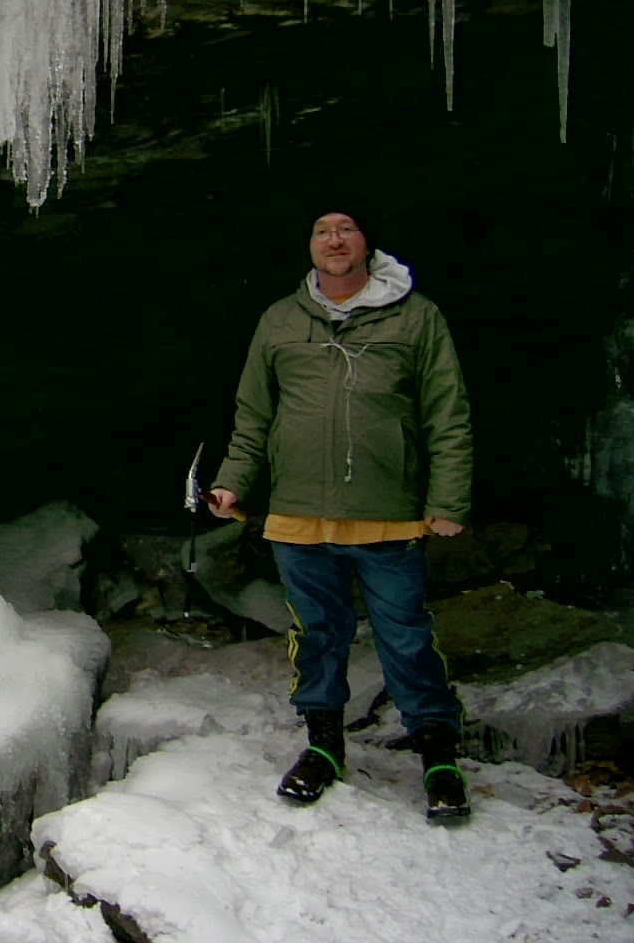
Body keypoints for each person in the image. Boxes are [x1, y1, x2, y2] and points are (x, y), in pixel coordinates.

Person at [207, 206, 473, 821]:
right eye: (322, 231)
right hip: (300, 516)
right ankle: (323, 747)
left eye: (346, 229)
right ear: (309, 247)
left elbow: (446, 414)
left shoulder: (416, 316)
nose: (334, 239)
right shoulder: (280, 320)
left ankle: (437, 752)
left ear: (367, 245)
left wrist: (448, 502)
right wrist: (231, 483)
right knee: (316, 634)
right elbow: (253, 417)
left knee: (406, 635)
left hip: (390, 514)